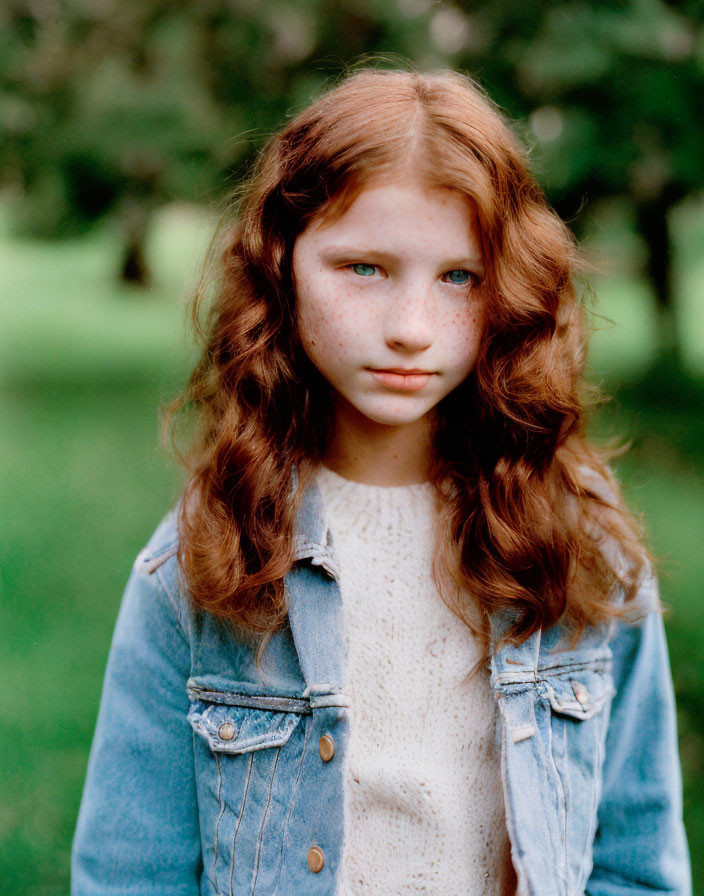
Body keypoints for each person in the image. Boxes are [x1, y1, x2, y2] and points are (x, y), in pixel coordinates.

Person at [71, 67, 691, 896]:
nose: (409, 329)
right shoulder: (200, 567)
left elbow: (636, 867)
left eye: (459, 277)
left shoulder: (584, 556)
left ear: (509, 286)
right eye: (363, 268)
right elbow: (128, 878)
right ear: (282, 264)